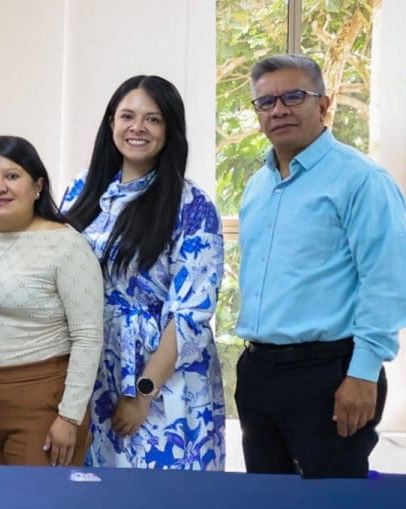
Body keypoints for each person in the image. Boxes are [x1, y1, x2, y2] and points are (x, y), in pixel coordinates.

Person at [235, 54, 406, 478]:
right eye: (266, 102)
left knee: (331, 507)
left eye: (294, 96)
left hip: (330, 376)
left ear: (324, 105)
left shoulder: (361, 179)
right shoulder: (258, 186)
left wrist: (363, 374)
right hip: (259, 372)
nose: (279, 109)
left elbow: (387, 281)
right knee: (266, 504)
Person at [60, 76, 226, 470]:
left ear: (170, 130)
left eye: (153, 119)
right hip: (92, 368)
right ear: (111, 123)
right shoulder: (81, 189)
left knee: (159, 492)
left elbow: (190, 314)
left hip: (161, 376)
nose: (138, 127)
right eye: (127, 116)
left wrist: (142, 394)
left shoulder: (192, 204)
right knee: (93, 491)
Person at [0, 136, 103, 467]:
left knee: (34, 499)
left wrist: (70, 416)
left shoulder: (66, 245)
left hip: (42, 401)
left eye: (12, 176)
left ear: (37, 186)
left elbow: (88, 336)